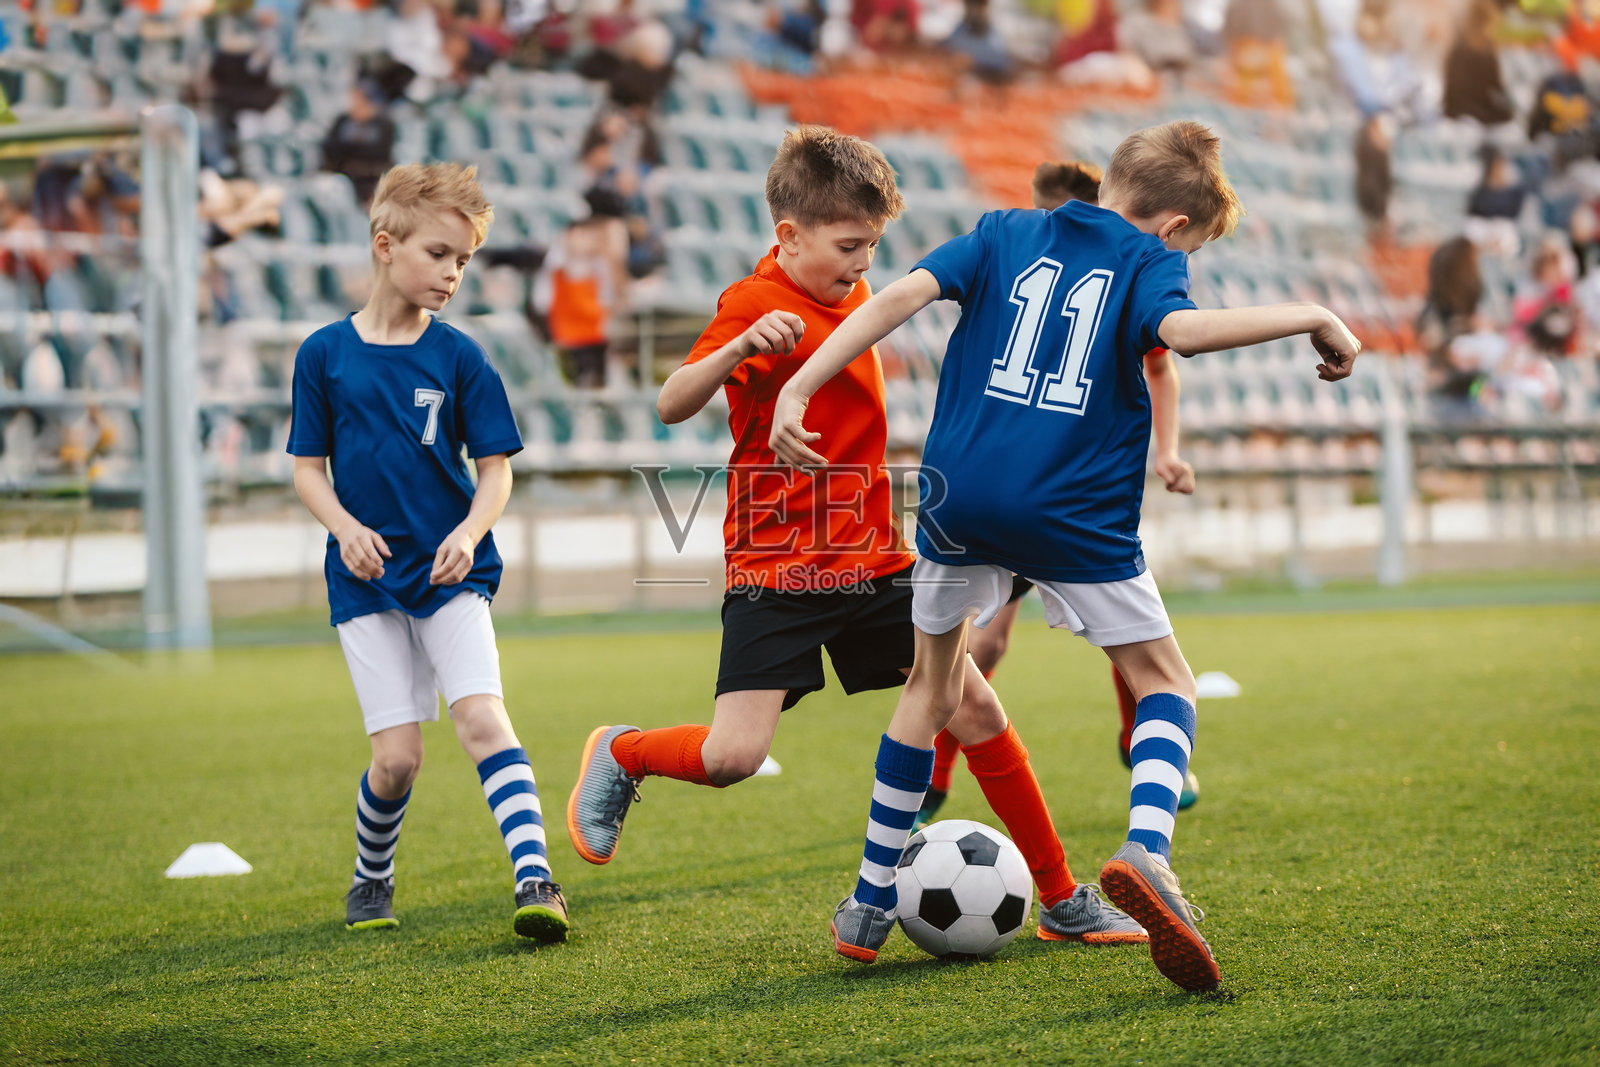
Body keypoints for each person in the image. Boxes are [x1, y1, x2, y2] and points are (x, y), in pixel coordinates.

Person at [770, 120, 1360, 991]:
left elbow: (896, 298)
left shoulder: (1003, 231)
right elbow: (1184, 338)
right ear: (1176, 229)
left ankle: (865, 903)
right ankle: (1148, 851)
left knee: (930, 687)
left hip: (957, 496)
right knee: (1166, 682)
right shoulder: (1149, 260)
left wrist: (799, 382)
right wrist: (1317, 314)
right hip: (1070, 510)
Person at [565, 125, 1144, 956]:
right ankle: (624, 750)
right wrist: (735, 348)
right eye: (846, 246)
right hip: (775, 565)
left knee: (974, 702)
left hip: (874, 557)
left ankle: (1059, 894)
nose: (861, 264)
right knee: (733, 755)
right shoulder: (752, 305)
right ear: (789, 235)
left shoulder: (861, 303)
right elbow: (672, 402)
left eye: (872, 246)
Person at [286, 163, 569, 942]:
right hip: (365, 580)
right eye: (441, 253)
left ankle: (536, 877)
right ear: (386, 245)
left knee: (482, 718)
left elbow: (496, 471)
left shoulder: (461, 356)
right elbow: (308, 470)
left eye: (465, 260)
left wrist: (469, 532)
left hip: (452, 575)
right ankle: (371, 877)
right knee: (399, 759)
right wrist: (344, 527)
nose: (453, 272)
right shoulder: (324, 355)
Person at [915, 158, 1198, 833]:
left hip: (1058, 486)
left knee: (1121, 643)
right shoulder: (1029, 263)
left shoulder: (1114, 276)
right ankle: (938, 774)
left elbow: (1162, 369)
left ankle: (1140, 744)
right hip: (1036, 492)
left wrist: (1167, 449)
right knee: (986, 650)